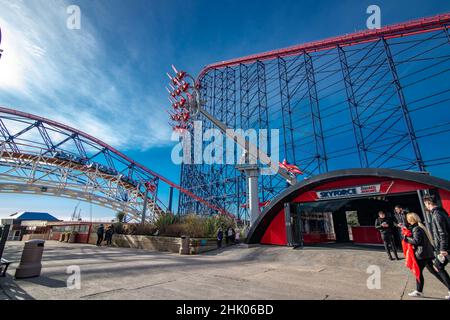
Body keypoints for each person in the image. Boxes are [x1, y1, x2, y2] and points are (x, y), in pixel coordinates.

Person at [403, 213, 450, 298]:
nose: (407, 220)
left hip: (421, 255)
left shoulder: (416, 228)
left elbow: (417, 241)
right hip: (427, 254)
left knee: (418, 272)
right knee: (435, 272)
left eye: (407, 219)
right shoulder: (420, 226)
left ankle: (419, 291)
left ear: (411, 219)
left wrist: (406, 239)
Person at [423, 196, 450, 300]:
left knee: (438, 266)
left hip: (445, 248)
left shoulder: (436, 214)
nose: (426, 207)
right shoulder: (442, 212)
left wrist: (443, 249)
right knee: (437, 266)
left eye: (426, 204)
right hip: (446, 246)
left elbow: (443, 233)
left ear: (429, 203)